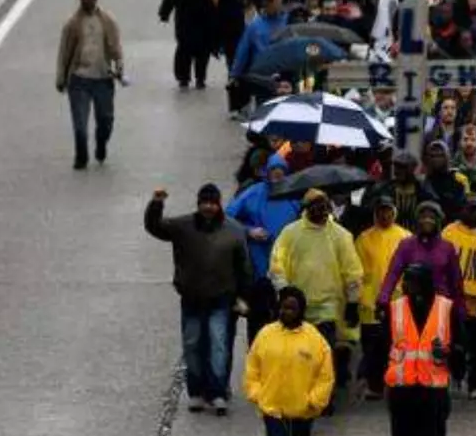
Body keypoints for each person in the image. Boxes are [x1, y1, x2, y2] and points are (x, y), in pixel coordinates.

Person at [145, 184, 252, 413]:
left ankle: (218, 391)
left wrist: (242, 296)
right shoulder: (183, 226)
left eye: (212, 203)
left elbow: (244, 265)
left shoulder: (234, 230)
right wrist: (156, 204)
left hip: (221, 298)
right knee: (192, 344)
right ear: (198, 203)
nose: (208, 207)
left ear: (219, 204)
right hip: (192, 297)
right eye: (205, 202)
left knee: (219, 346)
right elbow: (155, 227)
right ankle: (196, 391)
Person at [243, 286, 334, 436]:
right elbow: (252, 368)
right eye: (284, 307)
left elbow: (325, 376)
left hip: (302, 414)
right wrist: (257, 395)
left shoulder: (315, 340)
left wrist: (314, 401)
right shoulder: (265, 335)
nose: (287, 312)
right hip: (273, 411)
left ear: (302, 310)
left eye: (293, 308)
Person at [268, 190, 364, 417]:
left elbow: (352, 271)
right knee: (298, 352)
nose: (320, 211)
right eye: (315, 206)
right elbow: (277, 264)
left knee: (323, 353)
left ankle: (324, 396)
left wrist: (352, 302)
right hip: (298, 306)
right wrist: (284, 292)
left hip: (329, 306)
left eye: (324, 206)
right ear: (306, 208)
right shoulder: (290, 234)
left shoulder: (340, 236)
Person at [385, 263, 454, 436]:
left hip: (433, 392)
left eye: (411, 281)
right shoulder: (395, 308)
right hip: (402, 392)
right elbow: (385, 345)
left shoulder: (445, 308)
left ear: (425, 282)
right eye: (405, 281)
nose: (405, 287)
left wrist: (448, 353)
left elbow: (460, 348)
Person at [226, 156, 303, 347]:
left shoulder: (294, 196)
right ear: (266, 173)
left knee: (285, 322)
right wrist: (249, 231)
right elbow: (228, 218)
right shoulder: (253, 193)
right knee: (258, 324)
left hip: (286, 272)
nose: (277, 175)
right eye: (273, 171)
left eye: (281, 172)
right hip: (258, 271)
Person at [56, 0, 124, 169]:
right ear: (80, 1)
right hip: (79, 80)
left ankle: (101, 144)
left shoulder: (107, 21)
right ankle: (81, 157)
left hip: (103, 79)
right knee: (80, 126)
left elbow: (116, 48)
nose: (88, 2)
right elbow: (64, 53)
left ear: (96, 0)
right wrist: (61, 78)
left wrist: (119, 66)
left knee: (106, 121)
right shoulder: (72, 24)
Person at [355, 192, 409, 401]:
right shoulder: (364, 238)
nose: (384, 215)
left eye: (388, 211)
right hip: (370, 302)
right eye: (381, 212)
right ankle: (374, 384)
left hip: (398, 300)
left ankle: (396, 381)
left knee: (397, 343)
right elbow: (358, 271)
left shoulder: (405, 237)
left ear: (394, 212)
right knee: (373, 346)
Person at [442, 195, 476, 399]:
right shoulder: (449, 231)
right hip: (455, 299)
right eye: (469, 208)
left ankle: (475, 384)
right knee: (456, 344)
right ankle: (457, 373)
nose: (473, 213)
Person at [159, 0, 228, 91]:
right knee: (184, 51)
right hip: (186, 23)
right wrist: (164, 13)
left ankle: (200, 78)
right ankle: (183, 78)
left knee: (203, 53)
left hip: (206, 24)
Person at [379, 201, 463, 312]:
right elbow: (392, 274)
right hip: (412, 306)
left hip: (440, 308)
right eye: (423, 217)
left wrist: (460, 310)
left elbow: (456, 283)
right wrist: (383, 299)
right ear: (417, 220)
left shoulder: (447, 248)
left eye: (432, 217)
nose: (427, 220)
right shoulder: (406, 245)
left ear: (438, 221)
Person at [229, 0, 289, 118]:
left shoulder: (289, 22)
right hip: (262, 75)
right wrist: (234, 73)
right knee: (264, 111)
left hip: (285, 73)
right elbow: (243, 51)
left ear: (279, 3)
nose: (269, 7)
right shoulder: (254, 26)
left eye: (272, 3)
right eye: (266, 4)